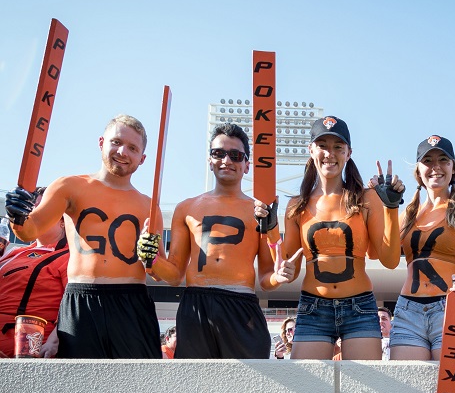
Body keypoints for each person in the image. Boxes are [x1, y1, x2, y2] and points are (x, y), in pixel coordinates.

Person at [5, 114, 163, 359]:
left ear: (142, 158)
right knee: (80, 388)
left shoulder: (149, 206)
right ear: (101, 142)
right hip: (81, 299)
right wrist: (17, 215)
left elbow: (160, 271)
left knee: (139, 387)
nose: (122, 151)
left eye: (132, 148)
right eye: (116, 142)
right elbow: (29, 231)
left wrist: (152, 258)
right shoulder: (69, 186)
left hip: (132, 302)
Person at [255, 116, 404, 360]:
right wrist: (271, 229)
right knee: (309, 389)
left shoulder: (366, 199)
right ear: (311, 149)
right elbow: (288, 270)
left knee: (366, 391)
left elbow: (389, 261)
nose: (329, 153)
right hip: (314, 308)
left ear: (348, 152)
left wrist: (391, 209)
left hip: (360, 306)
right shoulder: (296, 206)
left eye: (338, 146)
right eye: (322, 145)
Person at [137, 123, 276, 359]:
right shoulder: (187, 207)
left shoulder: (261, 211)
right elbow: (174, 275)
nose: (226, 160)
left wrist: (280, 275)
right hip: (196, 303)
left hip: (241, 303)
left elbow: (266, 279)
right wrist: (150, 258)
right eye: (218, 153)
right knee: (195, 385)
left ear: (246, 165)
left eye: (235, 155)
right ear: (209, 160)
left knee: (248, 387)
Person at [389, 135, 455, 361]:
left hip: (450, 305)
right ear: (418, 170)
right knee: (410, 388)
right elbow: (389, 260)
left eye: (443, 160)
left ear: (453, 168)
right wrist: (388, 207)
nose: (435, 167)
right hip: (408, 311)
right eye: (428, 161)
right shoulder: (408, 214)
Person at [0, 188, 69, 358]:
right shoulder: (14, 252)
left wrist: (55, 340)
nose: (30, 214)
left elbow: (77, 307)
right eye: (29, 208)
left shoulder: (70, 257)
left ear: (62, 220)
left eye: (40, 209)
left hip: (25, 353)